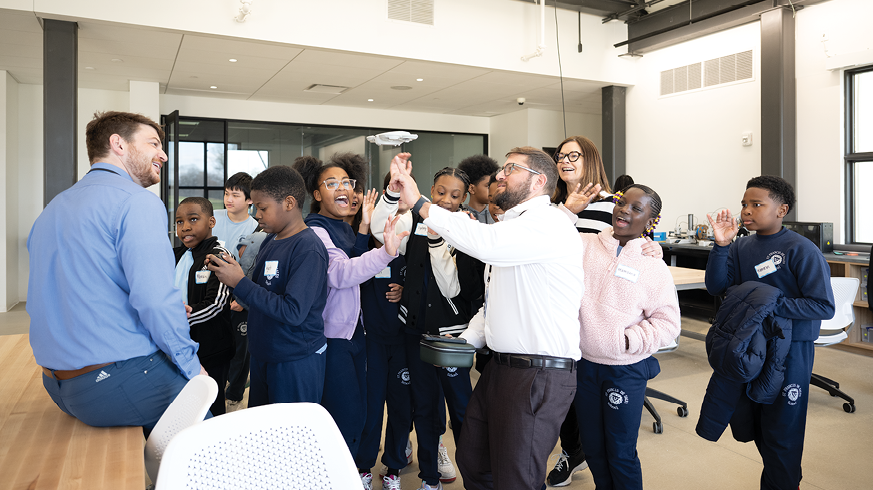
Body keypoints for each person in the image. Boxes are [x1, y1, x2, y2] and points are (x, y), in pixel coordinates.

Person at [388, 148, 584, 490]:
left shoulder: (547, 223)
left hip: (538, 373)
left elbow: (483, 243)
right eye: (502, 168)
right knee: (474, 460)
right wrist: (465, 340)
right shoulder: (513, 227)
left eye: (511, 168)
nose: (499, 175)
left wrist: (420, 203)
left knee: (516, 477)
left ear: (538, 181)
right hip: (500, 368)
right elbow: (494, 302)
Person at [27, 111, 204, 436]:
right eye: (153, 143)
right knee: (208, 431)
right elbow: (155, 302)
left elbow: (62, 293)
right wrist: (194, 368)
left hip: (58, 385)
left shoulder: (54, 208)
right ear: (117, 144)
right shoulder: (137, 202)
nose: (162, 154)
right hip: (113, 383)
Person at [703, 175, 835, 490]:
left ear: (781, 209)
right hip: (749, 347)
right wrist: (721, 246)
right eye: (744, 205)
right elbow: (716, 286)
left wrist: (765, 306)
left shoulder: (801, 249)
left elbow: (823, 307)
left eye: (756, 204)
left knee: (782, 431)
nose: (747, 211)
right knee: (755, 422)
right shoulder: (741, 246)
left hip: (790, 351)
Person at [372, 166, 486, 490]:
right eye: (440, 192)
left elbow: (452, 288)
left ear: (465, 198)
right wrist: (394, 193)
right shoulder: (415, 221)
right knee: (423, 407)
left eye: (454, 195)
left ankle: (474, 478)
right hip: (415, 332)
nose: (446, 200)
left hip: (453, 337)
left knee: (462, 410)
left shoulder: (468, 230)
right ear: (430, 191)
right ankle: (429, 478)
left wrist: (437, 241)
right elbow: (384, 231)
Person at [292, 153, 407, 467]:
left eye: (347, 182)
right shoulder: (317, 231)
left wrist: (365, 226)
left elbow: (353, 258)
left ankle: (352, 472)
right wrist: (385, 252)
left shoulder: (342, 227)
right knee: (346, 416)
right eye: (331, 183)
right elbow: (341, 274)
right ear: (316, 195)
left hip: (355, 334)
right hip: (333, 337)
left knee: (360, 413)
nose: (343, 188)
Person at [574, 185, 681, 490]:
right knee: (593, 448)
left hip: (625, 369)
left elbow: (668, 323)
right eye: (623, 203)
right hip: (584, 366)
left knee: (620, 452)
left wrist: (626, 341)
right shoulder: (584, 245)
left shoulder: (652, 265)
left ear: (651, 220)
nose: (625, 210)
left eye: (637, 208)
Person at [207, 165, 329, 406]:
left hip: (294, 359)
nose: (257, 215)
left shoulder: (308, 248)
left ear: (289, 203)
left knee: (290, 438)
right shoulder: (270, 240)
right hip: (264, 354)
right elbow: (261, 293)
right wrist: (236, 276)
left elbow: (293, 312)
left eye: (262, 208)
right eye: (255, 207)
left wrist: (240, 282)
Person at [356, 171, 414, 490]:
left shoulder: (412, 246)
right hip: (371, 343)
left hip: (403, 343)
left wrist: (407, 290)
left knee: (401, 407)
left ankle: (393, 467)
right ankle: (363, 466)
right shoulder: (363, 247)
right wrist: (365, 224)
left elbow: (431, 286)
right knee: (371, 407)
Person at [173, 197, 236, 416]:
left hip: (211, 349)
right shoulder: (174, 255)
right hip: (178, 345)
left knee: (211, 408)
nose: (185, 227)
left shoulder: (219, 256)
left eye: (193, 219)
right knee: (185, 407)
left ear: (211, 222)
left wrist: (178, 319)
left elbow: (217, 304)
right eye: (179, 222)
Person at [212, 172, 258, 413]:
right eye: (227, 193)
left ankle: (234, 394)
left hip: (238, 293)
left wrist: (242, 298)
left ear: (249, 200)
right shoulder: (214, 218)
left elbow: (254, 267)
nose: (229, 199)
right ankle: (213, 391)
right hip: (211, 291)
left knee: (241, 348)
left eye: (235, 195)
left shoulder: (256, 227)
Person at [458, 154, 500, 224]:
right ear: (471, 188)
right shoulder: (461, 215)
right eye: (488, 186)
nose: (493, 190)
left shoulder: (497, 214)